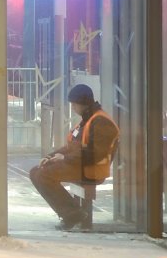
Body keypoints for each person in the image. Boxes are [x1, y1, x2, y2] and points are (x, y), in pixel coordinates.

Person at [29, 84, 119, 230]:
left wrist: (65, 159)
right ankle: (72, 213)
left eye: (74, 104)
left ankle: (72, 214)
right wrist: (50, 157)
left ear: (83, 103)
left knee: (43, 174)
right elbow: (71, 147)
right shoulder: (88, 119)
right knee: (36, 171)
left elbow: (94, 154)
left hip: (92, 169)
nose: (73, 107)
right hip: (80, 165)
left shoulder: (101, 122)